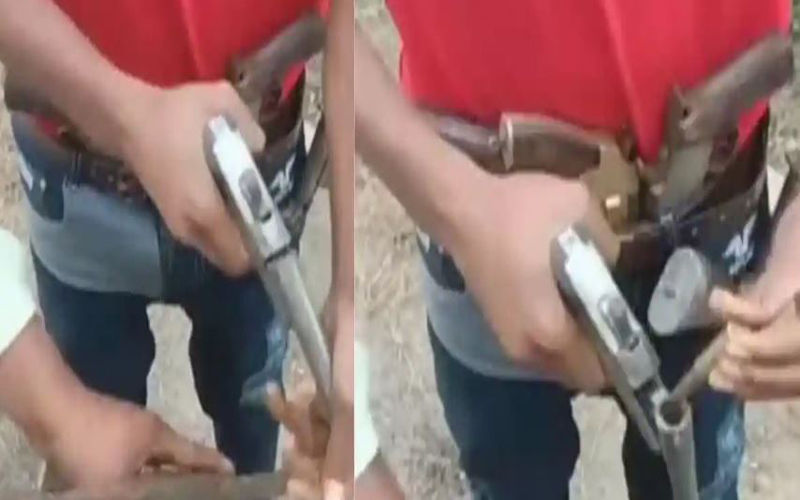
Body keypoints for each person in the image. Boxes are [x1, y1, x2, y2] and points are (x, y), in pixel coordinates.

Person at [354, 2, 793, 499]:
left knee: (699, 477)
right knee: (511, 479)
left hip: (713, 220)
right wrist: (460, 210)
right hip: (486, 232)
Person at [0, 0, 352, 485]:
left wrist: (346, 288)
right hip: (77, 181)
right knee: (96, 437)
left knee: (255, 419)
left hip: (252, 183)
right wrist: (62, 419)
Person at [0, 227, 231, 488]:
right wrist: (64, 421)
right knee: (92, 459)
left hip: (242, 250)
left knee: (250, 427)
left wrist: (65, 421)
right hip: (77, 240)